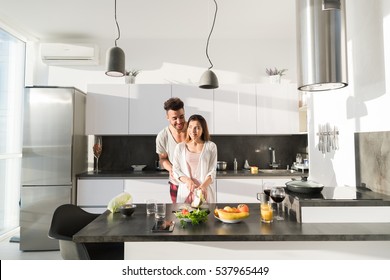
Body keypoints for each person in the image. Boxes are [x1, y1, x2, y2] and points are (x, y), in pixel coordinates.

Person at [172, 114, 217, 204]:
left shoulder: (211, 146)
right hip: (186, 194)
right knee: (184, 216)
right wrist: (188, 181)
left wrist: (203, 186)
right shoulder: (180, 147)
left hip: (204, 193)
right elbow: (176, 170)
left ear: (203, 129)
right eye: (190, 127)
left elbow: (212, 171)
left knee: (206, 217)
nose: (193, 131)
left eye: (197, 127)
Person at [156, 97, 187, 203]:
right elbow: (163, 159)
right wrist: (171, 169)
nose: (179, 121)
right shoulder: (163, 136)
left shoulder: (194, 130)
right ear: (167, 117)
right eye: (174, 118)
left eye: (181, 117)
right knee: (178, 215)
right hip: (176, 183)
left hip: (195, 182)